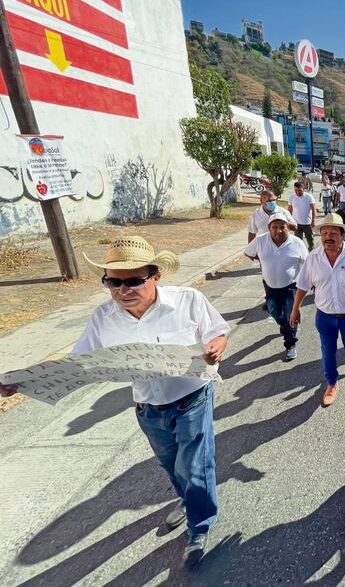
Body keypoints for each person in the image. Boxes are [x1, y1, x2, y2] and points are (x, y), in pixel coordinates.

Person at [34, 237, 228, 567]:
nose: (123, 290)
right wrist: (26, 382)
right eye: (113, 281)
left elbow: (218, 332)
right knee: (172, 466)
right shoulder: (103, 317)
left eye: (134, 280)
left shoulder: (188, 300)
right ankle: (186, 501)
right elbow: (78, 362)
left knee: (196, 468)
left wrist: (215, 347)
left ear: (155, 276)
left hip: (192, 396)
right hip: (148, 406)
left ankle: (199, 527)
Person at [290, 214, 345, 406]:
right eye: (324, 233)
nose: (328, 236)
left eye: (333, 233)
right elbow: (302, 285)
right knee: (327, 351)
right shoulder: (313, 258)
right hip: (324, 316)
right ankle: (331, 383)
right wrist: (295, 308)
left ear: (343, 236)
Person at [244, 213, 308, 361]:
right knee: (273, 311)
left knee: (289, 316)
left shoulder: (297, 243)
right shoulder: (260, 240)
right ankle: (285, 325)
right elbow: (248, 252)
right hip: (270, 287)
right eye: (274, 227)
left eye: (282, 227)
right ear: (269, 228)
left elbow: (307, 265)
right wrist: (262, 259)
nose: (278, 230)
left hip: (291, 287)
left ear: (288, 228)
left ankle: (290, 344)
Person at [288, 181, 317, 250]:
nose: (298, 192)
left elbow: (314, 210)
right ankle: (301, 253)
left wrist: (313, 221)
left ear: (303, 189)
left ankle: (311, 252)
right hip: (296, 223)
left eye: (300, 190)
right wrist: (289, 221)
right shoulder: (291, 197)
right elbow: (289, 210)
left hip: (307, 223)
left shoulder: (309, 197)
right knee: (298, 241)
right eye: (296, 190)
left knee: (310, 240)